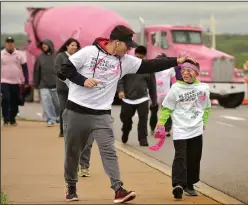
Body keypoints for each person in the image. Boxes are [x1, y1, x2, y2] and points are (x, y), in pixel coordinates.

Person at [59, 24, 196, 203]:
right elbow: (64, 70)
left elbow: (150, 65)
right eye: (127, 45)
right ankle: (71, 186)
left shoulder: (125, 61)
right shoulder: (88, 52)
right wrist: (83, 80)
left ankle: (118, 189)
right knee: (73, 152)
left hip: (102, 115)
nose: (129, 49)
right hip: (76, 110)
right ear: (116, 42)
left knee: (109, 151)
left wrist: (176, 61)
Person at [152, 59, 211, 199]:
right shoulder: (176, 88)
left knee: (194, 158)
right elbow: (167, 108)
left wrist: (204, 122)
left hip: (196, 129)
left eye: (189, 70)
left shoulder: (203, 88)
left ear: (196, 73)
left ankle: (189, 185)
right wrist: (161, 124)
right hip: (180, 129)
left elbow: (206, 107)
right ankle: (178, 184)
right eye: (183, 70)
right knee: (180, 156)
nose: (185, 73)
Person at [55, 38, 94, 177]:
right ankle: (74, 167)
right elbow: (61, 74)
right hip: (74, 112)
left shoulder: (94, 77)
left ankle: (84, 166)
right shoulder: (71, 76)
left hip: (91, 112)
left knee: (88, 141)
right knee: (73, 142)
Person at [117, 46, 157, 146]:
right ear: (135, 55)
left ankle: (143, 139)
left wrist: (154, 100)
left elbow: (152, 85)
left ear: (144, 57)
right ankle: (125, 132)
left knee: (143, 120)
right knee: (126, 120)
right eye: (137, 57)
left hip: (143, 98)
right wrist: (121, 90)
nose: (139, 59)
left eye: (141, 58)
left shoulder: (148, 67)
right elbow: (120, 79)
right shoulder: (128, 65)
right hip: (127, 99)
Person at [1, 37, 29, 126]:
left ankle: (12, 118)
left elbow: (25, 68)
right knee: (5, 99)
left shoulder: (19, 54)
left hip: (16, 81)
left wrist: (26, 81)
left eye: (11, 42)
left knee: (15, 101)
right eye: (8, 42)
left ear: (14, 44)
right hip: (4, 81)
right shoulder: (1, 54)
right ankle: (5, 119)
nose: (10, 44)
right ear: (5, 44)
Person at [34, 39, 60, 127]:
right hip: (43, 84)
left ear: (50, 44)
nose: (43, 46)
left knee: (57, 103)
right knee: (46, 102)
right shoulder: (40, 57)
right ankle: (50, 119)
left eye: (45, 44)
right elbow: (37, 71)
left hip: (56, 84)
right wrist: (36, 84)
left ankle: (58, 117)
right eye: (42, 44)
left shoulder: (57, 55)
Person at [149, 53, 176, 137]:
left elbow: (174, 80)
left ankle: (167, 129)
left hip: (166, 94)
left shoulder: (170, 69)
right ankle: (153, 128)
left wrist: (175, 90)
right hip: (154, 94)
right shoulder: (153, 68)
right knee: (154, 112)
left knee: (166, 113)